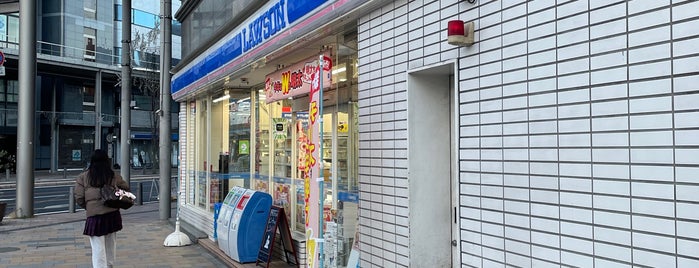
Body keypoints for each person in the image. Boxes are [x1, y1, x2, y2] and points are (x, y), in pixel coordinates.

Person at [74, 149, 130, 268]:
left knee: (98, 249)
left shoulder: (83, 177)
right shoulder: (113, 175)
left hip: (94, 217)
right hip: (112, 214)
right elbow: (126, 188)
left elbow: (79, 198)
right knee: (110, 247)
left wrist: (90, 206)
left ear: (92, 161)